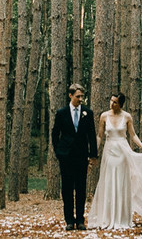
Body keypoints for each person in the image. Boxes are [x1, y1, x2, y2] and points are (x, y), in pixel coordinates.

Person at [87, 92, 142, 230]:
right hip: (109, 152)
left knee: (121, 184)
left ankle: (121, 217)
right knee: (109, 182)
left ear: (121, 104)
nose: (112, 104)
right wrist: (93, 153)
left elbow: (133, 135)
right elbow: (99, 136)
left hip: (123, 152)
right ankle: (108, 217)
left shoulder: (127, 116)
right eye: (111, 101)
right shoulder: (104, 116)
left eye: (115, 102)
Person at [51, 83, 98, 231]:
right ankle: (69, 221)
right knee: (67, 189)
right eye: (78, 96)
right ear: (70, 95)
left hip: (81, 156)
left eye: (82, 96)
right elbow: (55, 134)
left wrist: (93, 155)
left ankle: (80, 220)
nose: (80, 99)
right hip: (66, 157)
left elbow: (91, 135)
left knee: (81, 189)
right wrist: (58, 152)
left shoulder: (87, 113)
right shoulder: (62, 113)